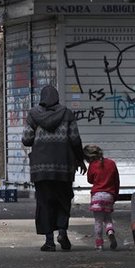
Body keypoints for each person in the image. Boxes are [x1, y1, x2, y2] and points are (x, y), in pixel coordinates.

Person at [22, 85, 87, 252]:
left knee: (44, 203)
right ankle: (62, 232)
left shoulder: (33, 114)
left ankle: (49, 241)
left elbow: (26, 139)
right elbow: (75, 140)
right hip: (63, 167)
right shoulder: (67, 114)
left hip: (40, 168)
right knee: (63, 200)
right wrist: (80, 159)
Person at [83, 144, 120, 251]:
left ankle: (99, 243)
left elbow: (90, 180)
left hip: (97, 196)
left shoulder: (93, 165)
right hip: (109, 196)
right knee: (108, 218)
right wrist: (115, 195)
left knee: (98, 221)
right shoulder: (111, 163)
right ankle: (110, 231)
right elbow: (116, 181)